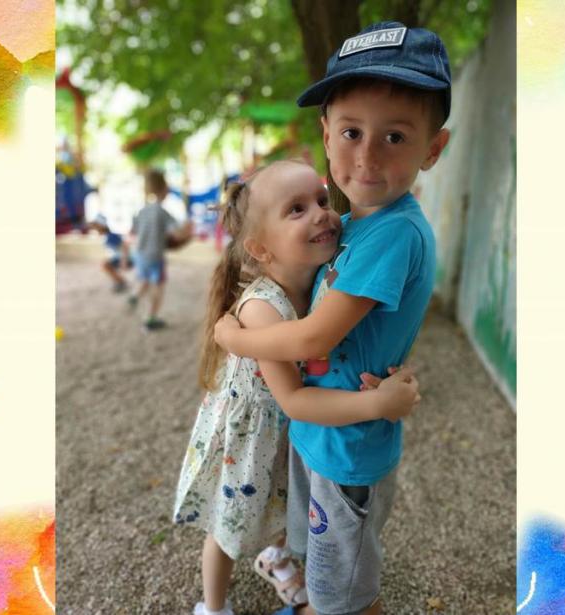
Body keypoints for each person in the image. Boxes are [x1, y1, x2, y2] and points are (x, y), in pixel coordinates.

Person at [214, 22, 452, 615]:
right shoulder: (351, 225)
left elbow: (317, 335)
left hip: (350, 447)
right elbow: (285, 251)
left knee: (345, 593)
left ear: (433, 149)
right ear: (325, 135)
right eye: (351, 132)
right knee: (326, 570)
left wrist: (235, 336)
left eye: (394, 136)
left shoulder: (392, 233)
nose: (367, 156)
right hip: (324, 440)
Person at [173, 159, 421, 615]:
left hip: (290, 425)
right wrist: (377, 403)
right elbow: (294, 397)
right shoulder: (262, 310)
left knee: (284, 502)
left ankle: (277, 558)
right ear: (261, 249)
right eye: (297, 209)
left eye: (322, 200)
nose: (323, 215)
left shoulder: (320, 283)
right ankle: (213, 605)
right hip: (252, 432)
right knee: (230, 524)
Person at [128, 169, 192, 329]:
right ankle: (151, 318)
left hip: (140, 254)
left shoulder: (141, 210)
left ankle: (134, 296)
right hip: (155, 256)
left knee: (144, 279)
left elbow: (132, 232)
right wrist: (188, 231)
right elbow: (176, 234)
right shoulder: (162, 212)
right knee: (158, 286)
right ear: (164, 189)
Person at [88, 213, 132, 293]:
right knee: (105, 264)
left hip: (125, 258)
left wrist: (124, 261)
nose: (95, 229)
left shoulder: (111, 236)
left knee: (105, 265)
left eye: (96, 226)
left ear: (101, 226)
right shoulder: (107, 236)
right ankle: (120, 282)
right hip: (120, 257)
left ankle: (122, 283)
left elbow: (125, 247)